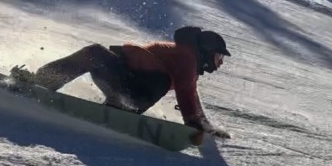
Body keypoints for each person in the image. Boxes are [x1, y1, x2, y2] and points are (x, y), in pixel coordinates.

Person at [12, 26, 231, 143]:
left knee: (94, 53)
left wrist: (203, 124)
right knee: (95, 53)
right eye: (218, 58)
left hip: (129, 87)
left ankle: (41, 81)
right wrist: (196, 123)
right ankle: (41, 81)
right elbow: (186, 95)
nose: (219, 64)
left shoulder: (187, 62)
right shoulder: (187, 58)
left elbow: (190, 94)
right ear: (207, 51)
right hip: (129, 86)